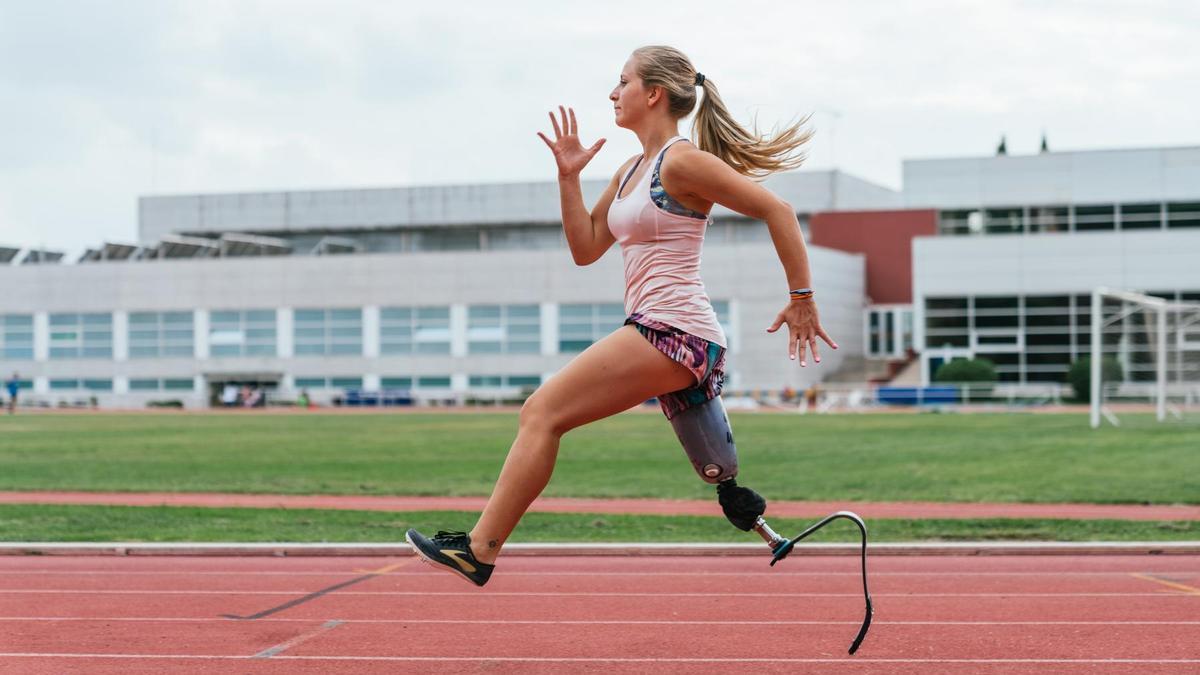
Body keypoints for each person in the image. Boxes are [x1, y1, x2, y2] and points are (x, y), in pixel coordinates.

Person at [407, 45, 837, 586]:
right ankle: (480, 550)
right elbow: (586, 248)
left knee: (541, 412)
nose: (613, 92)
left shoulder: (681, 160)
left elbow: (778, 209)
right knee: (547, 416)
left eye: (623, 81)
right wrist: (568, 178)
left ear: (653, 94)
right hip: (658, 328)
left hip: (676, 328)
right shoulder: (631, 170)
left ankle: (480, 550)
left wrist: (802, 297)